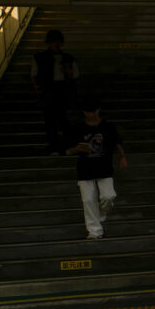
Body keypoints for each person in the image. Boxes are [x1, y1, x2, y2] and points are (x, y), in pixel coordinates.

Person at [65, 95, 126, 239]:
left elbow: (117, 142)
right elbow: (68, 149)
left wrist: (123, 157)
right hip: (85, 168)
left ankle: (100, 213)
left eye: (92, 111)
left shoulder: (107, 126)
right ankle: (94, 231)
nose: (90, 114)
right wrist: (78, 149)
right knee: (88, 200)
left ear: (98, 110)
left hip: (104, 167)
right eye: (87, 111)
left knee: (108, 196)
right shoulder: (78, 128)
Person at [31, 29, 79, 155]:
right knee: (52, 121)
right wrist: (37, 86)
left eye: (58, 42)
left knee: (62, 120)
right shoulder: (40, 57)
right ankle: (55, 146)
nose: (56, 45)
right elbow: (34, 74)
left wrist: (68, 72)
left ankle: (64, 145)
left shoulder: (66, 57)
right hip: (50, 91)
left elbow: (76, 74)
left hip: (61, 91)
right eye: (54, 42)